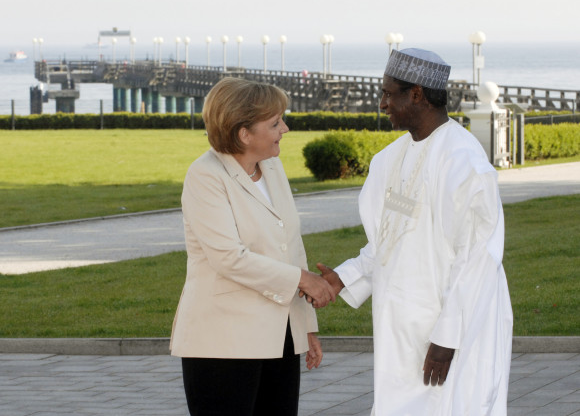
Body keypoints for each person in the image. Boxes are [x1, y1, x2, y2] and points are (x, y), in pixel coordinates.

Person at [316, 49, 513, 415]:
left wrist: (447, 336)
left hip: (451, 329)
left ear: (417, 94)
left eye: (389, 94)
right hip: (400, 327)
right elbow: (388, 241)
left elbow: (478, 258)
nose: (382, 104)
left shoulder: (464, 163)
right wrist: (344, 277)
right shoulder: (389, 160)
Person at [170, 77, 336, 416]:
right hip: (223, 342)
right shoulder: (205, 175)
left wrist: (306, 328)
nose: (285, 129)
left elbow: (291, 245)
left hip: (282, 338)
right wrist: (305, 281)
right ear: (244, 133)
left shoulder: (272, 166)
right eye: (275, 123)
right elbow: (230, 258)